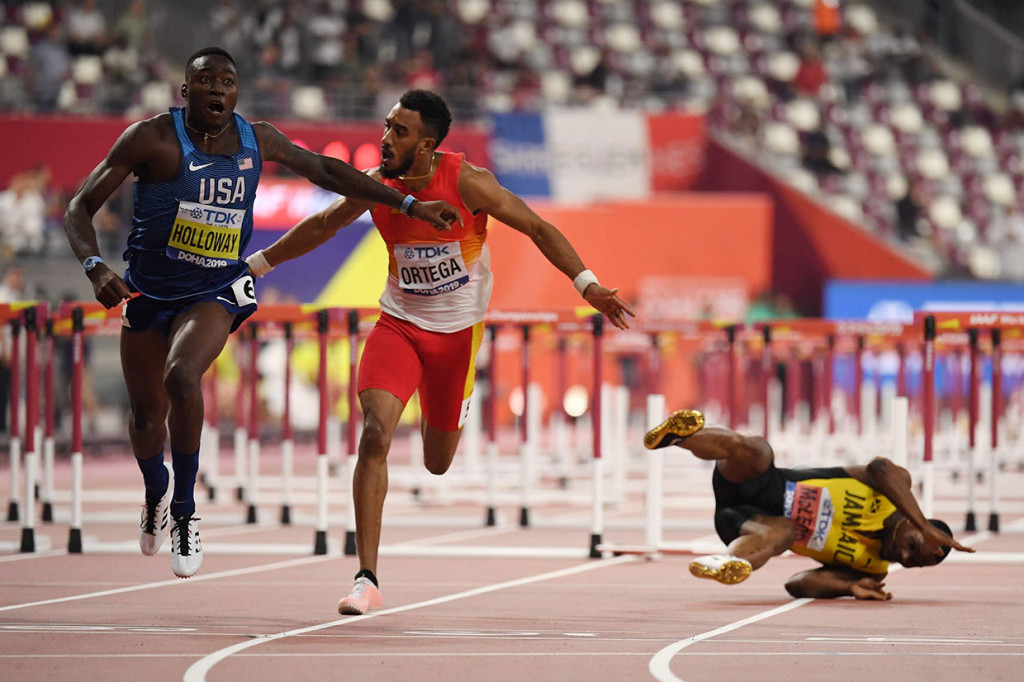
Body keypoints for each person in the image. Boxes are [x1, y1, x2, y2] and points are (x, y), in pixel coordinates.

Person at [63, 48, 459, 579]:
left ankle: (184, 511)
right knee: (145, 419)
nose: (218, 90)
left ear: (236, 92)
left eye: (228, 81)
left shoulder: (258, 138)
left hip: (215, 288)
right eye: (206, 80)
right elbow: (77, 208)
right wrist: (94, 266)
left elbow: (325, 170)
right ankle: (155, 491)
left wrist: (407, 204)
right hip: (148, 294)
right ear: (186, 90)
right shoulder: (151, 138)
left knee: (182, 378)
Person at [247, 89, 636, 614]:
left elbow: (538, 227)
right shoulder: (380, 184)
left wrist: (586, 284)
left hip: (456, 339)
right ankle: (366, 577)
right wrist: (255, 266)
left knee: (436, 462)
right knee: (375, 433)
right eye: (386, 126)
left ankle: (458, 402)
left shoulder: (468, 181)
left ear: (427, 145)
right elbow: (323, 224)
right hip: (400, 324)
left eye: (399, 132)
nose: (385, 139)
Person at [644, 409, 974, 600]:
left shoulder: (870, 568)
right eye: (913, 547)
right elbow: (880, 467)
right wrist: (925, 526)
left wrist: (849, 585)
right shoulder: (892, 489)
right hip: (762, 480)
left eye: (912, 564)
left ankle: (726, 561)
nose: (904, 557)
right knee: (757, 450)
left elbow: (797, 583)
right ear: (915, 524)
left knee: (784, 533)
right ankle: (679, 436)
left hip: (746, 522)